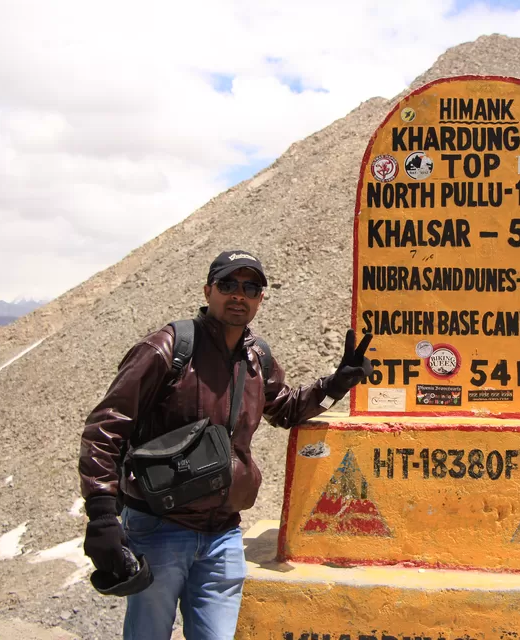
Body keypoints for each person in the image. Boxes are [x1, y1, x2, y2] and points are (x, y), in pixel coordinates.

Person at [78, 250, 372, 640]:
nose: (239, 295)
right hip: (158, 527)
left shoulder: (257, 357)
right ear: (208, 290)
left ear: (261, 299)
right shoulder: (168, 348)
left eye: (251, 287)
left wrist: (334, 385)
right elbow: (106, 427)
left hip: (224, 534)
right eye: (228, 284)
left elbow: (283, 408)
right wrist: (101, 517)